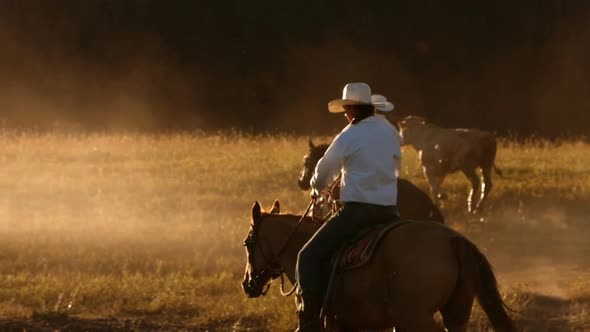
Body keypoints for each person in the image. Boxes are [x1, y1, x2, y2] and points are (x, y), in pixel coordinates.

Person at [295, 83, 401, 331]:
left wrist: (315, 188)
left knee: (307, 256)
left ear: (352, 109)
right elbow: (395, 167)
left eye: (346, 108)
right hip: (389, 210)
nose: (344, 113)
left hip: (358, 211)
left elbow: (323, 170)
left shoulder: (349, 135)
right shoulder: (389, 130)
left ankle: (310, 323)